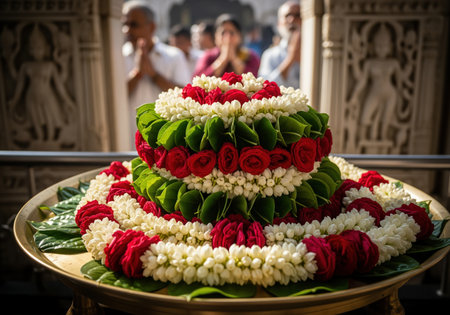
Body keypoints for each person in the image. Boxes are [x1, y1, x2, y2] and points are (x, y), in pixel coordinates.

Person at [122, 1, 190, 147]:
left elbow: (185, 97)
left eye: (134, 25)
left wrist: (154, 76)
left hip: (167, 143)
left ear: (151, 27)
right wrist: (138, 74)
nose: (127, 30)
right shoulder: (117, 56)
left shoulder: (174, 56)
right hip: (127, 141)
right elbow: (113, 99)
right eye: (125, 24)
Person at [193, 13, 260, 77]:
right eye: (223, 33)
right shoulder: (208, 56)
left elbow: (254, 79)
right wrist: (223, 59)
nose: (227, 38)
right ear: (216, 36)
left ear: (239, 36)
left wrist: (234, 59)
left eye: (232, 33)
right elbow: (198, 79)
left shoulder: (249, 56)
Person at [258, 1, 301, 88]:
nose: (292, 20)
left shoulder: (315, 52)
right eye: (287, 15)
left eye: (297, 15)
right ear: (279, 23)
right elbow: (265, 87)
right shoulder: (270, 55)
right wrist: (290, 59)